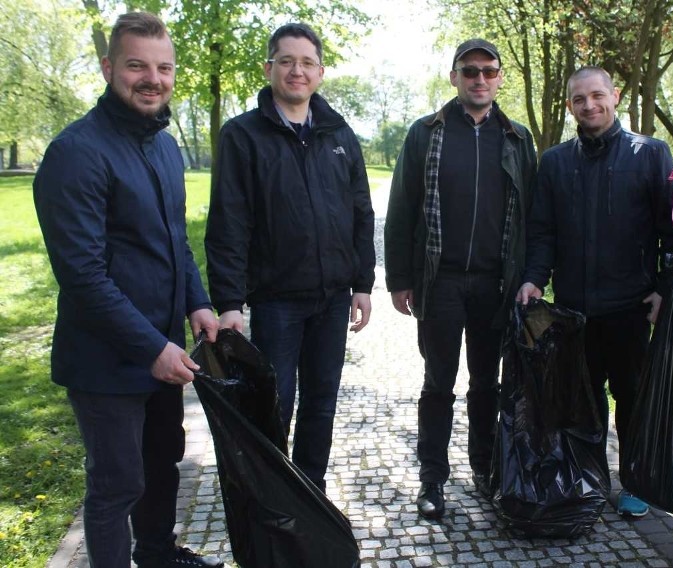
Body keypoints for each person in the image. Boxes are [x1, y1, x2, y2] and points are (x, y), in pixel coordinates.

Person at [32, 12, 223, 568]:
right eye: (137, 65)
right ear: (108, 67)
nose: (152, 78)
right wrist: (152, 349)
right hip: (105, 361)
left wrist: (199, 302)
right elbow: (83, 277)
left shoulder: (165, 149)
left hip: (161, 350)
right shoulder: (76, 153)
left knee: (163, 463)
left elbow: (175, 244)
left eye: (163, 68)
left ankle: (158, 555)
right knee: (117, 486)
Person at [205, 23, 375, 493]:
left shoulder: (339, 134)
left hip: (333, 299)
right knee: (276, 403)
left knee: (322, 403)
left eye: (306, 63)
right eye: (286, 61)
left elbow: (361, 211)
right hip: (277, 301)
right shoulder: (243, 136)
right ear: (269, 68)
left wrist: (362, 283)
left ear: (320, 73)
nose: (296, 71)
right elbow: (228, 225)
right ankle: (275, 498)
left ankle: (311, 492)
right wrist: (230, 302)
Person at [384, 38, 537, 519]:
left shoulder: (517, 139)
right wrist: (399, 279)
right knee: (438, 384)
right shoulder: (425, 133)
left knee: (487, 385)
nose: (479, 79)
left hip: (495, 284)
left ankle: (484, 469)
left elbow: (531, 215)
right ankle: (432, 480)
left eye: (489, 72)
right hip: (440, 282)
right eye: (470, 71)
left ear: (499, 79)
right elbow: (401, 209)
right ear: (453, 76)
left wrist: (528, 278)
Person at [517, 66, 673, 518]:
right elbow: (543, 231)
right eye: (578, 100)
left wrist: (664, 289)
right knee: (579, 401)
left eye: (596, 96)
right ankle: (586, 478)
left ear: (616, 96)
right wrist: (533, 276)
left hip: (631, 308)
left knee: (632, 399)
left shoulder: (649, 154)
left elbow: (671, 232)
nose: (589, 106)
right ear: (570, 106)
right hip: (573, 310)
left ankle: (635, 481)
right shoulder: (554, 162)